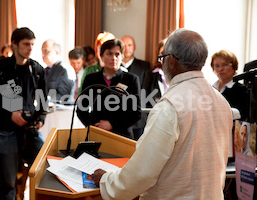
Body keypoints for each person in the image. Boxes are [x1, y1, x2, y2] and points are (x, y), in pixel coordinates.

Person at [92, 29, 233, 199]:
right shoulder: (221, 101)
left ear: (172, 61)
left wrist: (106, 181)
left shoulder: (170, 105)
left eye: (162, 58)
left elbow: (142, 173)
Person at [0, 27, 47, 200]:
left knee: (45, 170)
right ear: (14, 44)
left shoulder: (37, 69)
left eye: (32, 44)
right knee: (7, 183)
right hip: (5, 130)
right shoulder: (1, 67)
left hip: (30, 130)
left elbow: (43, 99)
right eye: (25, 44)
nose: (30, 48)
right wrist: (10, 115)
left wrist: (41, 119)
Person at [76, 39, 141, 139]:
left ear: (122, 57)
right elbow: (81, 109)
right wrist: (93, 126)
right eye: (109, 54)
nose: (114, 58)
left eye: (117, 54)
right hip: (96, 134)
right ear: (101, 56)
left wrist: (112, 124)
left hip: (122, 136)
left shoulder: (131, 79)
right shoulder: (91, 79)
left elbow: (136, 113)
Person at [120, 35, 151, 140]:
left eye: (130, 45)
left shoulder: (144, 66)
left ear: (134, 47)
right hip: (118, 118)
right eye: (124, 45)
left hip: (138, 120)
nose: (127, 48)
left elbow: (146, 92)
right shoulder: (114, 67)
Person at [211, 50, 249, 121]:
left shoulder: (243, 89)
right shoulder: (210, 89)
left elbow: (243, 112)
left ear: (234, 67)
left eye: (225, 65)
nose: (220, 69)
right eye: (217, 66)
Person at [42, 39, 75, 103]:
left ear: (56, 52)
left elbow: (63, 96)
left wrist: (43, 99)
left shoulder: (65, 69)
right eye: (42, 51)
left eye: (46, 51)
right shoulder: (44, 70)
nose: (43, 54)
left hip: (61, 110)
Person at [143, 39, 168, 108]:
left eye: (166, 54)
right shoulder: (150, 75)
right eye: (161, 54)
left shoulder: (178, 75)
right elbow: (144, 100)